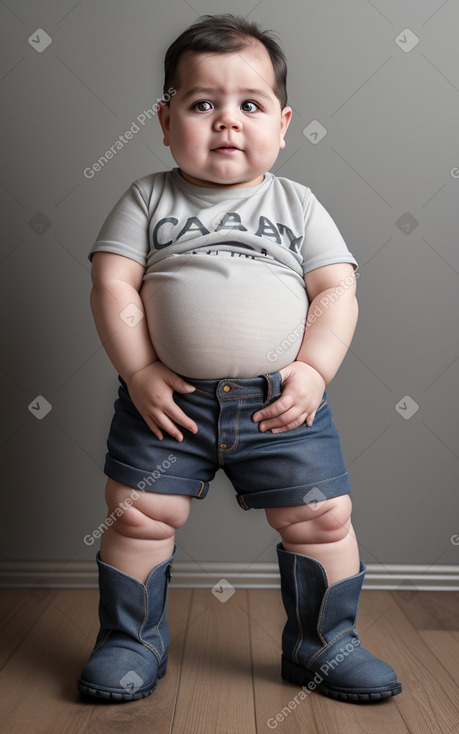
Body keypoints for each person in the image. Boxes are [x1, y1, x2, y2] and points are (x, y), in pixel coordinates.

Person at [78, 14, 401, 703]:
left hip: (282, 402)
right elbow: (112, 284)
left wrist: (313, 369)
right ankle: (129, 642)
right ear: (165, 122)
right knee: (137, 514)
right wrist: (138, 372)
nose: (227, 122)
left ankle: (324, 645)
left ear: (282, 125)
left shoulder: (298, 205)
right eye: (202, 105)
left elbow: (336, 289)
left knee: (322, 517)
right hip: (165, 403)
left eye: (248, 105)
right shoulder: (146, 198)